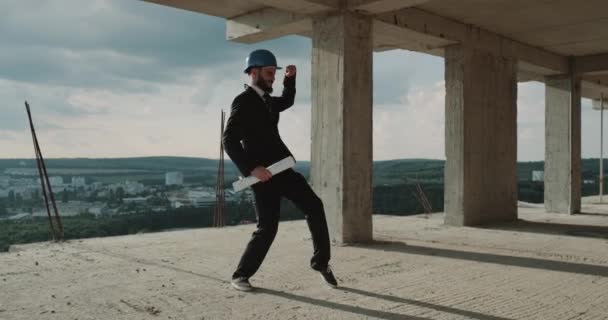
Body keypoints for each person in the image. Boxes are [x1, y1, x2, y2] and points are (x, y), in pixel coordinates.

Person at [223, 49, 337, 292]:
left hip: (283, 170)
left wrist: (290, 79)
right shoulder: (243, 102)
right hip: (262, 177)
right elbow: (229, 140)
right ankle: (240, 275)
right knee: (268, 228)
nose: (272, 77)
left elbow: (287, 100)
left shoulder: (267, 101)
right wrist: (252, 169)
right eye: (268, 73)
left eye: (274, 73)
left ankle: (321, 263)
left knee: (314, 206)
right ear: (253, 72)